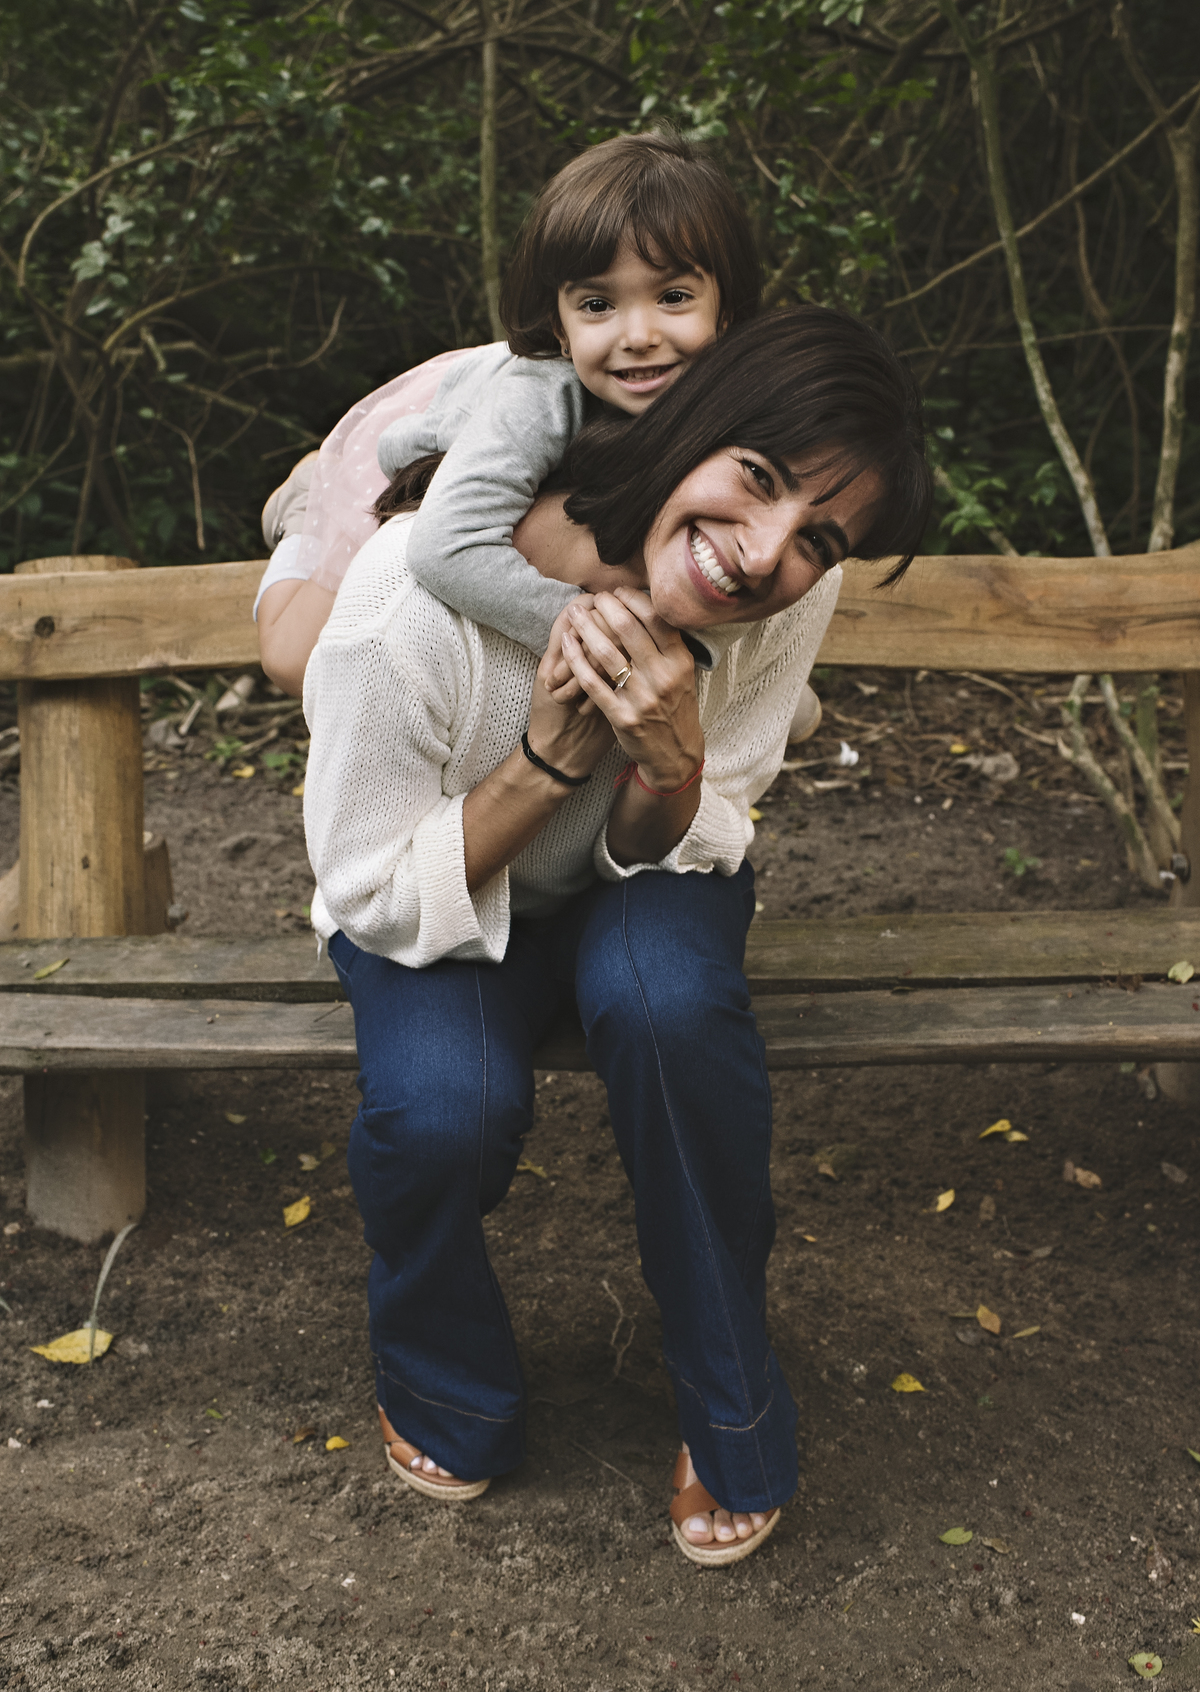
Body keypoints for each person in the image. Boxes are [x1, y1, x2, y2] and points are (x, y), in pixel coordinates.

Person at [301, 307, 931, 1565]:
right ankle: (445, 1383)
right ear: (690, 421)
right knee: (440, 1108)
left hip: (650, 860)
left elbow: (712, 807)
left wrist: (669, 755)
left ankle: (732, 1404)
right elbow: (369, 887)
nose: (760, 556)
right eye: (752, 480)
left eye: (817, 538)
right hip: (437, 882)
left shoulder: (788, 601)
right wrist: (548, 758)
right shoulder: (405, 601)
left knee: (668, 1007)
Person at [255, 130, 824, 744]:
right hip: (417, 449)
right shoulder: (537, 398)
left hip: (545, 433)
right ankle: (300, 502)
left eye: (674, 297)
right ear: (560, 326)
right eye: (598, 305)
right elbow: (444, 547)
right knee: (292, 661)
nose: (638, 333)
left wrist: (755, 680)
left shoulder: (727, 394)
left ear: (728, 311)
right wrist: (594, 635)